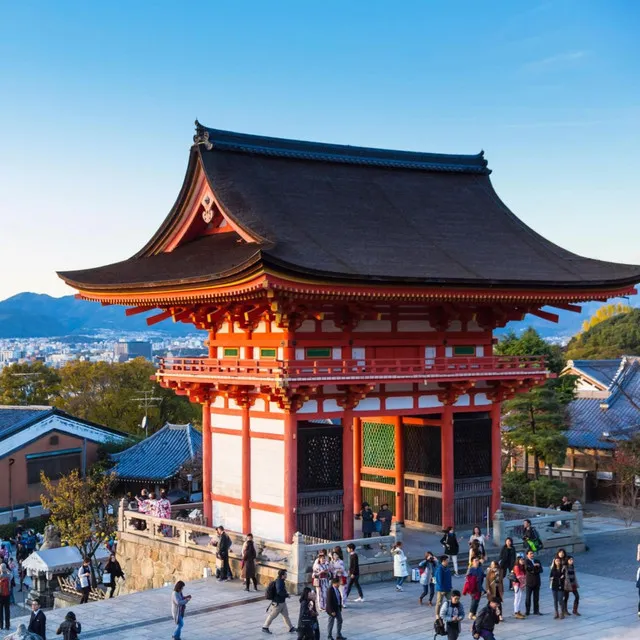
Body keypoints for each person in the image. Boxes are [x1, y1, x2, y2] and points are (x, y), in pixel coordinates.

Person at [262, 569, 296, 634]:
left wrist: (286, 595)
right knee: (272, 615)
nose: (286, 575)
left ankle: (290, 628)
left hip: (282, 602)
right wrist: (286, 595)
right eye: (285, 574)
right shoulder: (279, 582)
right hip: (278, 603)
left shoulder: (281, 581)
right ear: (282, 575)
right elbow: (279, 591)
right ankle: (265, 627)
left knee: (286, 615)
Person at [524, 549, 543, 616]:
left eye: (532, 553)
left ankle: (536, 610)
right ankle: (527, 611)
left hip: (537, 582)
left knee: (536, 597)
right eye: (530, 553)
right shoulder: (526, 561)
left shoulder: (537, 561)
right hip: (529, 582)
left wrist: (534, 569)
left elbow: (541, 570)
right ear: (527, 555)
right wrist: (534, 566)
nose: (532, 555)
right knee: (528, 598)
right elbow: (527, 569)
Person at [511, 555, 526, 619]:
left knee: (520, 598)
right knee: (517, 597)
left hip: (521, 584)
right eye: (521, 560)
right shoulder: (516, 567)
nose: (522, 561)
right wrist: (523, 584)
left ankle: (518, 610)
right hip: (517, 584)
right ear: (518, 560)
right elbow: (518, 576)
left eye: (523, 560)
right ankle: (516, 612)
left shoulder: (522, 566)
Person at [0, 563, 11, 631]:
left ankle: (1, 625)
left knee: (0, 612)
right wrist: (7, 569)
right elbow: (11, 574)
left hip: (1, 596)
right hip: (7, 595)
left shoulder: (0, 575)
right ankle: (7, 625)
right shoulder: (8, 575)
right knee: (7, 611)